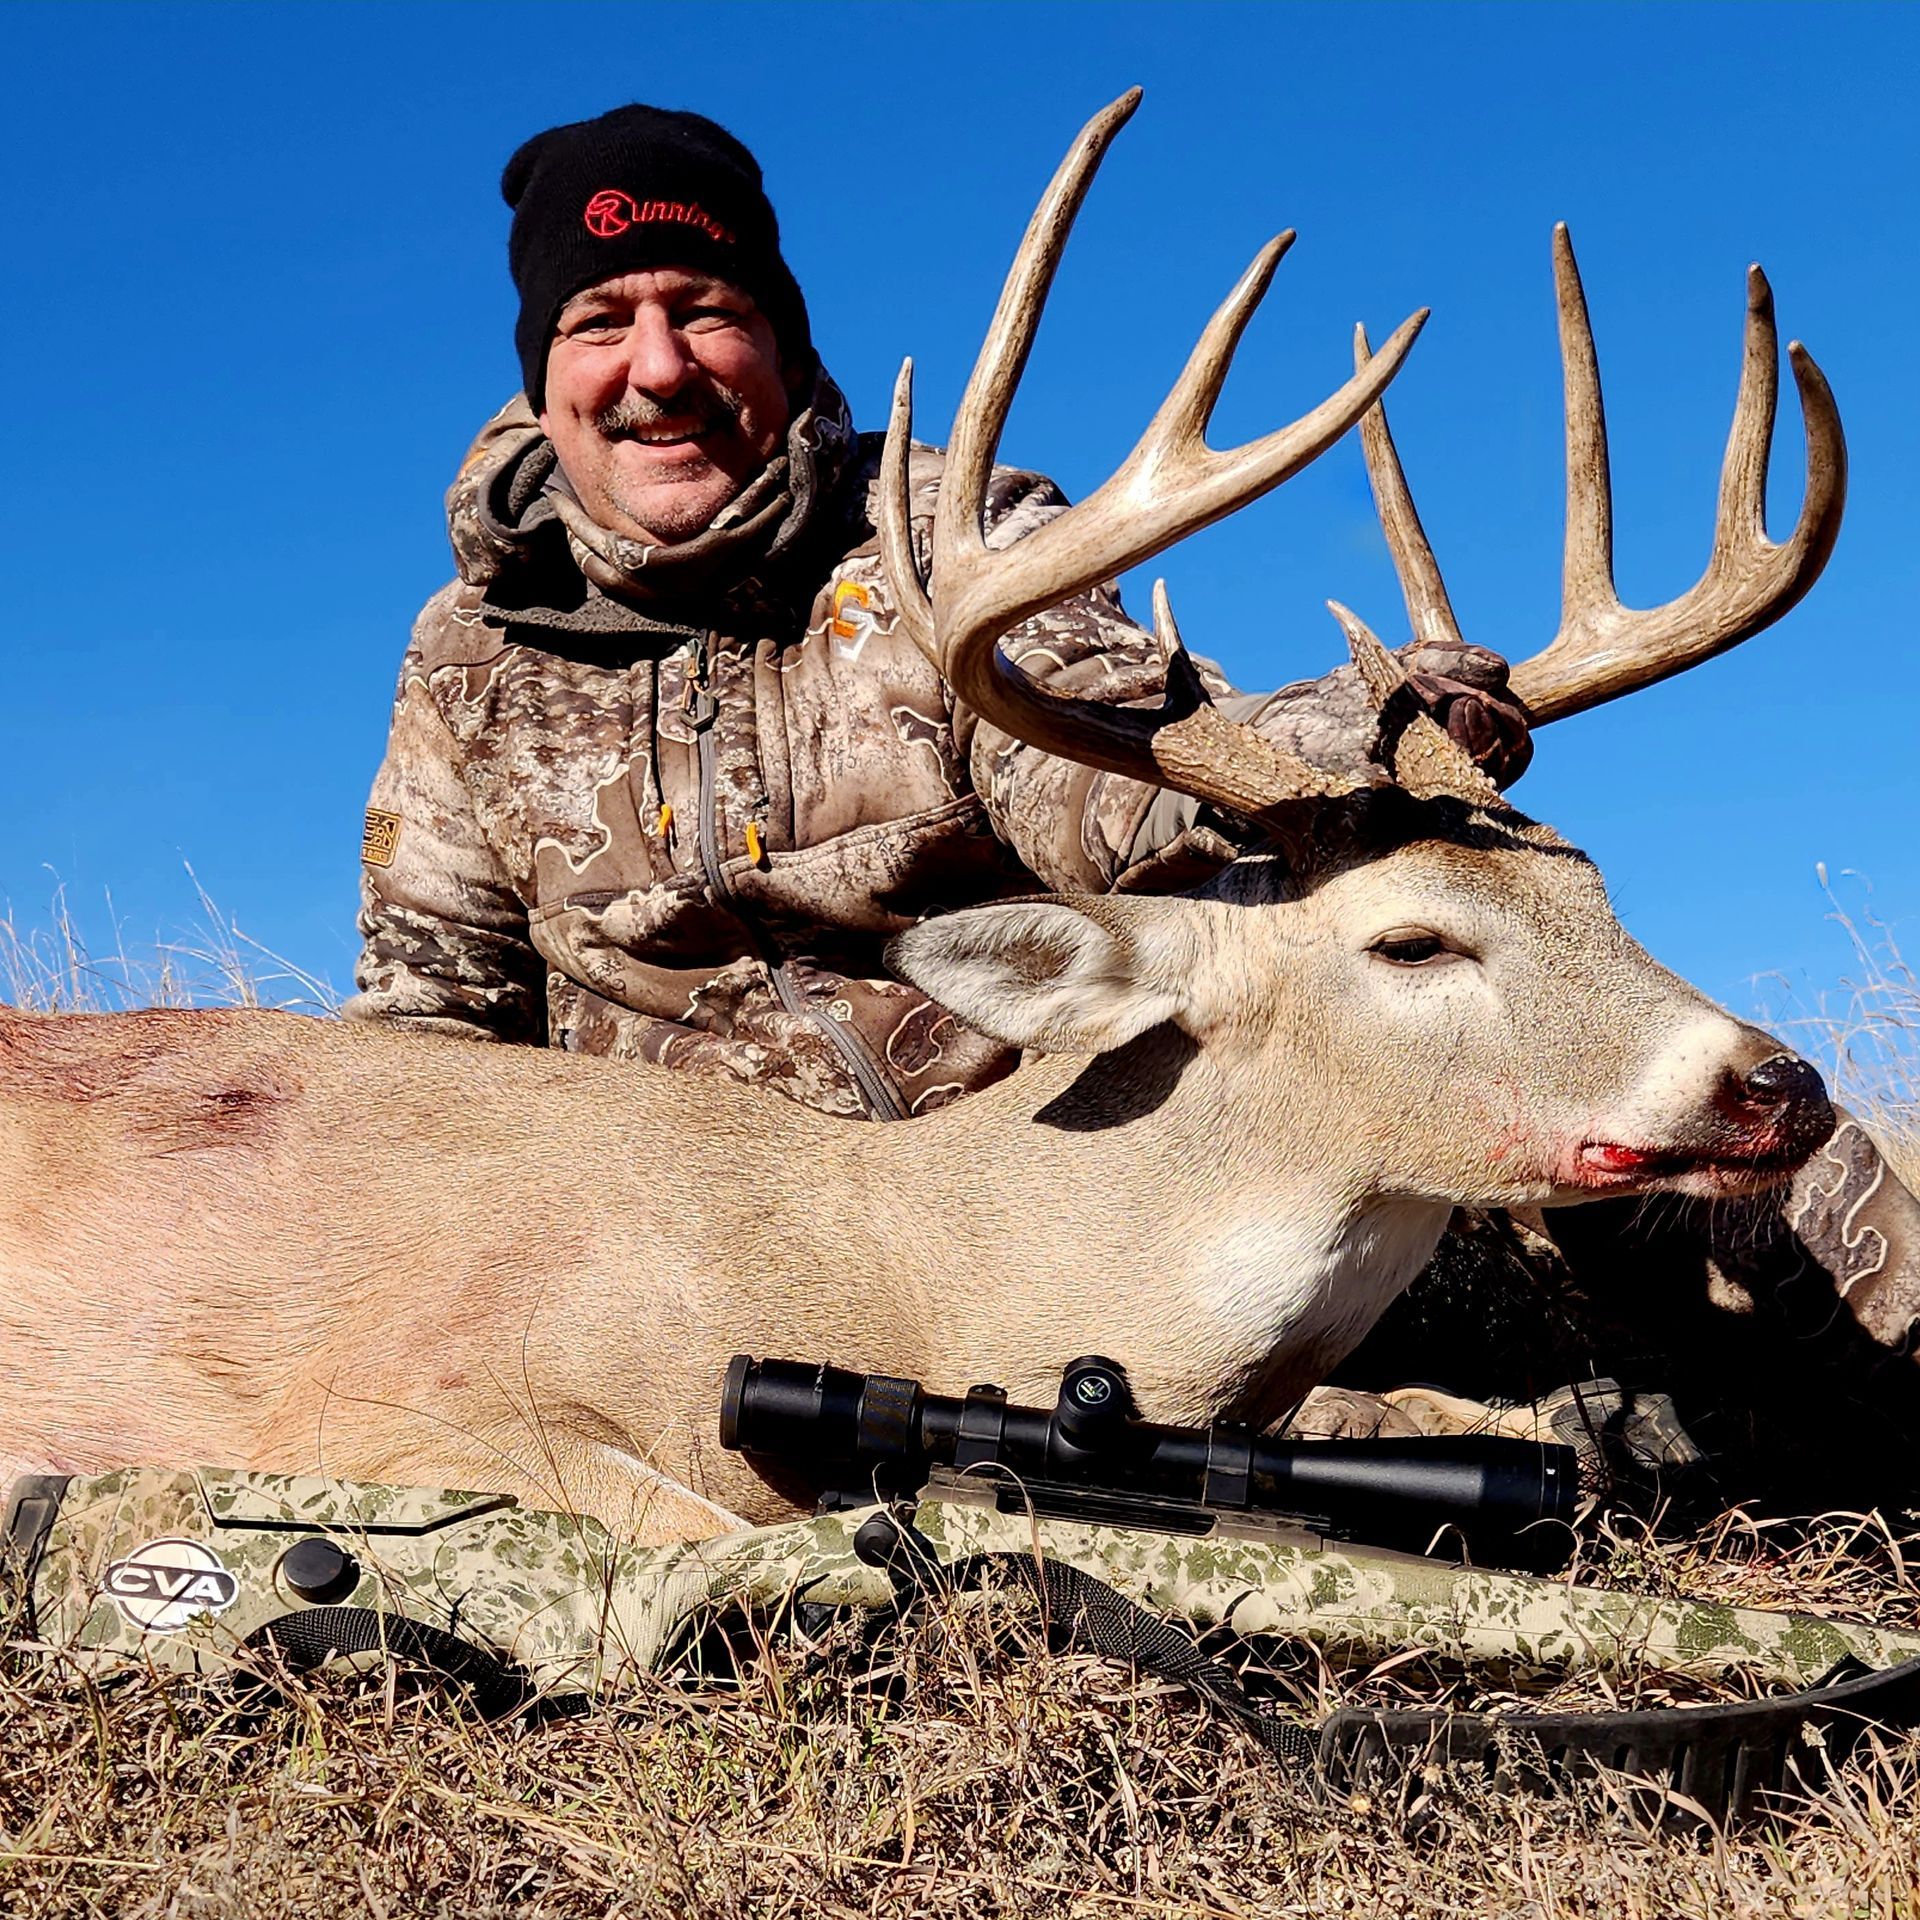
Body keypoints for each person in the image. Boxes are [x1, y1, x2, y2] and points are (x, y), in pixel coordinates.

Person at [345, 103, 1920, 1498]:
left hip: (1040, 1194)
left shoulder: (948, 566)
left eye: (707, 309)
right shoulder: (470, 660)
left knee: (1664, 1143)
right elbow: (423, 1036)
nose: (659, 367)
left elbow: (1149, 788)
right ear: (545, 377)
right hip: (680, 1251)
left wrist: (1370, 722)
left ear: (785, 341)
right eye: (600, 321)